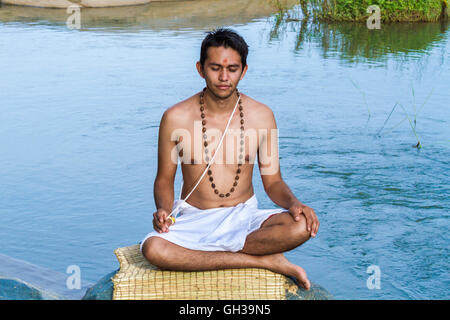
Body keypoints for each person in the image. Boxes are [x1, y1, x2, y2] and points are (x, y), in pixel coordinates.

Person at [140, 28, 319, 290]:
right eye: (215, 68)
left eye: (232, 69)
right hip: (194, 219)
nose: (224, 77)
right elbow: (164, 179)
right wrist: (164, 210)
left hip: (244, 219)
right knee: (154, 249)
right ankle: (266, 261)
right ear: (200, 69)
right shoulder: (175, 117)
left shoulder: (262, 115)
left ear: (244, 71)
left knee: (302, 226)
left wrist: (295, 203)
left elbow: (273, 181)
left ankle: (218, 254)